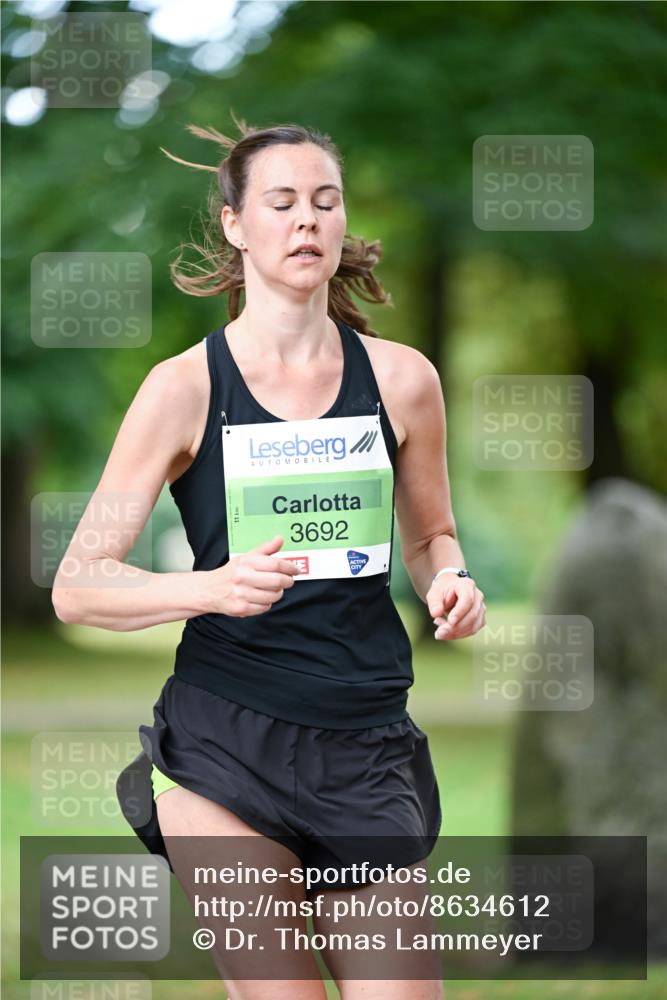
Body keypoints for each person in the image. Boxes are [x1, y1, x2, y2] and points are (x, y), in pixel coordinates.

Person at [53, 113, 486, 999]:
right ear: (235, 224)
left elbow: (427, 536)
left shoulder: (403, 379)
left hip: (364, 741)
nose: (307, 220)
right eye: (281, 202)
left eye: (325, 201)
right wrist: (210, 588)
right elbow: (78, 585)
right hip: (228, 744)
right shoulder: (181, 389)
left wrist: (450, 578)